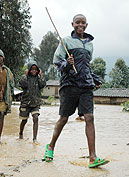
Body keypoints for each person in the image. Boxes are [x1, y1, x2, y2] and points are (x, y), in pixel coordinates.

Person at [43, 14, 109, 168]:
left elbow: (85, 66)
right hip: (69, 84)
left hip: (85, 86)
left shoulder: (90, 44)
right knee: (64, 118)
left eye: (83, 22)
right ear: (72, 24)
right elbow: (57, 62)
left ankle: (93, 157)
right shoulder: (65, 41)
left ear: (86, 25)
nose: (80, 25)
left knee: (89, 117)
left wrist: (94, 79)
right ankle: (51, 146)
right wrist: (67, 63)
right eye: (77, 22)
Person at [18, 61, 46, 144]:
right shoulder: (25, 77)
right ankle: (20, 133)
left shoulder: (38, 78)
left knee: (36, 117)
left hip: (35, 102)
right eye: (32, 69)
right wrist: (25, 75)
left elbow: (43, 85)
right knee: (24, 120)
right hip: (25, 102)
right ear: (29, 70)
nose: (34, 71)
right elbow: (22, 84)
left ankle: (34, 138)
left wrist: (41, 76)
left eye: (35, 70)